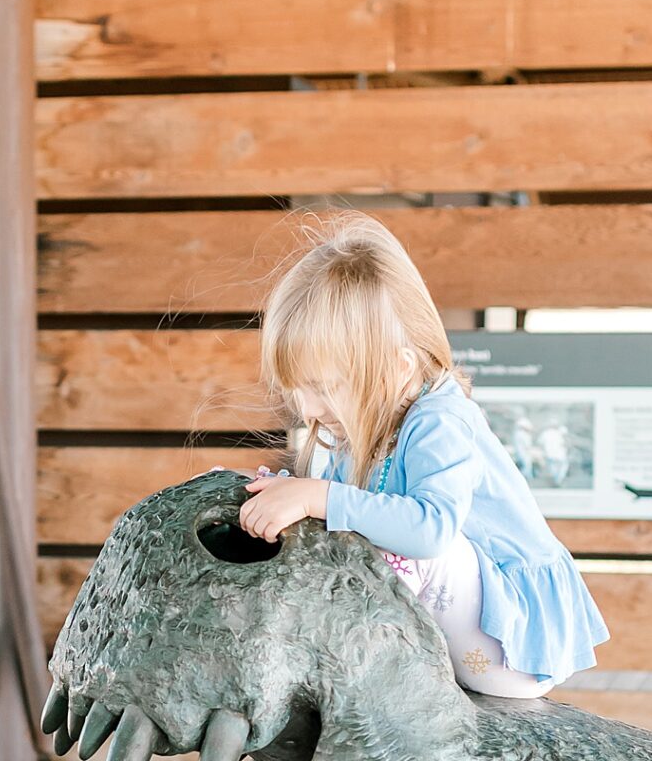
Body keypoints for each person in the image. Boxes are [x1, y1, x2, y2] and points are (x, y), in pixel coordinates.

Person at [236, 211, 607, 698]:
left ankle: (344, 657)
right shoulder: (350, 426)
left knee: (415, 537)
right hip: (449, 632)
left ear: (398, 367)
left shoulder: (439, 420)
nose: (307, 408)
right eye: (297, 389)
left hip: (505, 647)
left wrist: (321, 496)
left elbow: (431, 531)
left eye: (324, 387)